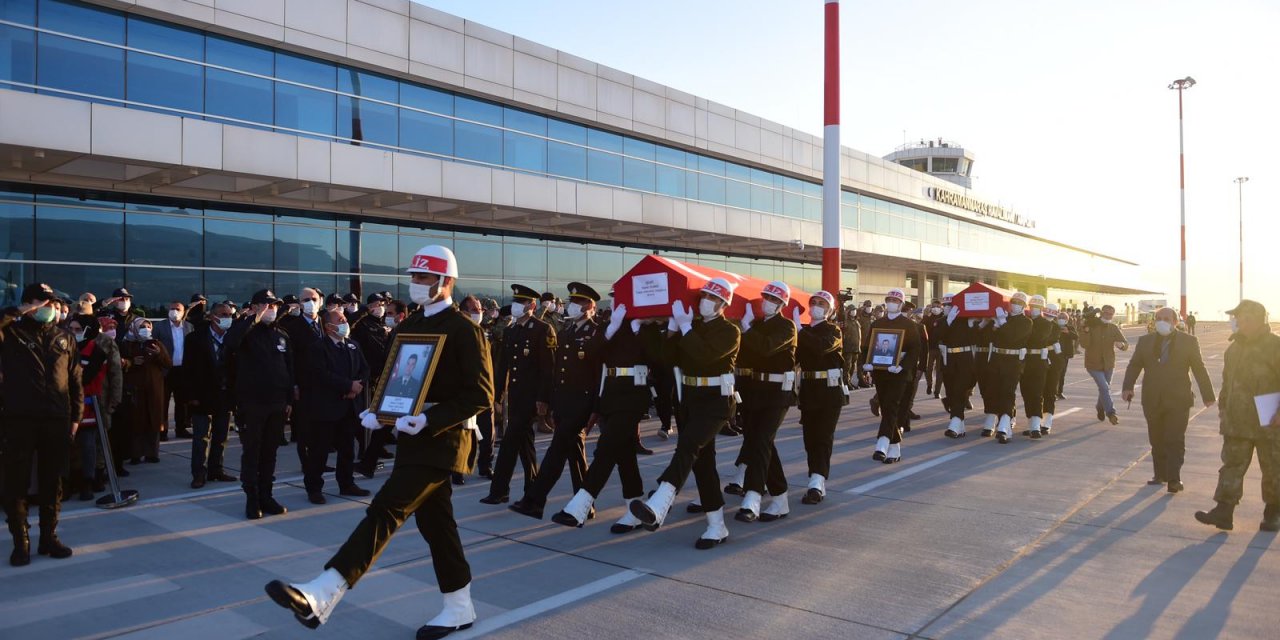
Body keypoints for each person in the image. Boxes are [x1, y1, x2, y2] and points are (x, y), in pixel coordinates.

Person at [265, 244, 492, 638]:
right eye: (414, 277)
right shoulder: (408, 327)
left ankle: (324, 591)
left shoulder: (465, 330)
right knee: (437, 527)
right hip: (410, 437)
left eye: (424, 277)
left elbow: (481, 395)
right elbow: (395, 377)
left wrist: (428, 418)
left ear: (446, 281)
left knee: (386, 508)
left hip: (445, 439)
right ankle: (459, 605)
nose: (416, 284)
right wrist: (380, 411)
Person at [630, 278, 741, 549]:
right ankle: (717, 526)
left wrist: (686, 326)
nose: (705, 301)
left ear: (723, 303)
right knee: (703, 464)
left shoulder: (729, 331)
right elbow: (665, 358)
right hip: (690, 401)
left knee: (688, 446)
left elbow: (704, 356)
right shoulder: (689, 327)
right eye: (703, 295)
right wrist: (651, 329)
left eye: (711, 297)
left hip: (717, 402)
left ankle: (659, 504)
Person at [551, 299, 665, 529]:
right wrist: (611, 329)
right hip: (610, 394)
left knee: (605, 448)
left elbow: (658, 359)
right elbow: (590, 353)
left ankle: (579, 506)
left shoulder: (647, 327)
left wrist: (637, 330)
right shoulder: (609, 325)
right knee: (624, 455)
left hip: (633, 395)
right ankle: (635, 509)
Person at [2, 283, 82, 565]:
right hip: (20, 419)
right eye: (41, 302)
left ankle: (49, 537)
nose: (48, 308)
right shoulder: (11, 333)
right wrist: (18, 312)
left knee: (53, 481)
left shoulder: (63, 337)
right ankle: (20, 542)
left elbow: (74, 380)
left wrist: (75, 417)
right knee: (16, 481)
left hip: (56, 418)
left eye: (51, 303)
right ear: (27, 304)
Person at [509, 283, 604, 519]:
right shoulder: (566, 332)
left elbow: (598, 375)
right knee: (574, 452)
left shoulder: (596, 333)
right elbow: (557, 371)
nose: (573, 305)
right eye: (572, 301)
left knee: (556, 451)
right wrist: (550, 401)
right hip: (564, 402)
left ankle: (535, 499)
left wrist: (596, 408)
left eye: (579, 302)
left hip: (582, 403)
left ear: (590, 306)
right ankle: (585, 504)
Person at [1194, 300, 1279, 531]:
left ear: (1255, 319)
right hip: (1237, 420)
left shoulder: (1275, 346)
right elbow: (1227, 381)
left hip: (1269, 419)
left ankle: (1273, 513)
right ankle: (1224, 512)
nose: (1237, 321)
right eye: (1237, 318)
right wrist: (1223, 408)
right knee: (1231, 465)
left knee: (1273, 467)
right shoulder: (1234, 348)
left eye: (1241, 317)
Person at [1120, 307, 1214, 494]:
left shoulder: (1189, 341)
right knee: (1156, 438)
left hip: (1179, 399)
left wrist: (1208, 395)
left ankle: (1174, 479)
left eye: (1166, 318)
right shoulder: (1145, 341)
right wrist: (1127, 387)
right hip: (1152, 398)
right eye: (1158, 318)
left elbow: (1199, 368)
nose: (1162, 321)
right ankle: (1159, 474)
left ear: (1176, 321)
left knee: (1174, 439)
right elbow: (1135, 364)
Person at [482, 284, 556, 505]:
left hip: (532, 398)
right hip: (515, 397)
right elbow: (503, 365)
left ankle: (499, 490)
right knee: (526, 444)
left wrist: (544, 400)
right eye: (515, 301)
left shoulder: (543, 329)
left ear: (532, 305)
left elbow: (548, 369)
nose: (515, 306)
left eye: (521, 302)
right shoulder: (511, 330)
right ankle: (532, 490)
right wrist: (496, 395)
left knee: (509, 444)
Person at [225, 289, 295, 520]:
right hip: (252, 403)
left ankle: (267, 495)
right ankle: (252, 499)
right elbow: (231, 342)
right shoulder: (246, 332)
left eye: (274, 305)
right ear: (255, 307)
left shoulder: (280, 335)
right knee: (252, 452)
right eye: (267, 305)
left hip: (277, 403)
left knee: (270, 452)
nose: (271, 309)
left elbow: (288, 368)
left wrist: (288, 400)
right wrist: (252, 319)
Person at [731, 281, 797, 523]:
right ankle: (780, 498)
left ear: (781, 304)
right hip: (754, 391)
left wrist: (748, 329)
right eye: (765, 297)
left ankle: (753, 497)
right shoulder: (754, 325)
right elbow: (744, 357)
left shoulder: (787, 326)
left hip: (777, 393)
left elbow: (767, 348)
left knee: (761, 440)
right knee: (760, 442)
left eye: (773, 299)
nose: (767, 302)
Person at [302, 309, 371, 503]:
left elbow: (365, 369)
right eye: (340, 319)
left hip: (349, 407)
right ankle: (314, 488)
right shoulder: (318, 347)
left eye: (344, 319)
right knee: (319, 451)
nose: (344, 322)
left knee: (347, 449)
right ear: (328, 326)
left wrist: (357, 386)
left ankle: (346, 483)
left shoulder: (352, 345)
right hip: (326, 408)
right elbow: (321, 374)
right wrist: (347, 385)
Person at [796, 291, 845, 504]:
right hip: (808, 389)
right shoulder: (802, 331)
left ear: (830, 310)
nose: (816, 306)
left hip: (829, 389)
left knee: (823, 437)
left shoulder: (833, 330)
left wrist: (799, 331)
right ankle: (816, 478)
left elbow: (821, 347)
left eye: (822, 303)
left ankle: (816, 481)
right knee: (810, 438)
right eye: (813, 302)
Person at [861, 288, 919, 463]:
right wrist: (867, 363)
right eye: (889, 299)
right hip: (880, 372)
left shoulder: (909, 324)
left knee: (892, 405)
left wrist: (903, 366)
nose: (891, 303)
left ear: (901, 304)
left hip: (898, 373)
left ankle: (882, 443)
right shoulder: (877, 323)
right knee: (886, 407)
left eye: (895, 300)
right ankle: (895, 449)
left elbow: (916, 349)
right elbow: (867, 346)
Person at [184, 302, 239, 489]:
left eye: (230, 314)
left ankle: (217, 469)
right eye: (223, 314)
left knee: (221, 435)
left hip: (225, 395)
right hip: (202, 395)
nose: (227, 317)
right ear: (213, 316)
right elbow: (188, 369)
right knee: (201, 437)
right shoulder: (195, 338)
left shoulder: (233, 338)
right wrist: (191, 395)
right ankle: (199, 473)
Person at [121, 318, 172, 465]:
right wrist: (131, 362)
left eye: (148, 326)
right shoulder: (128, 344)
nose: (146, 329)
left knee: (154, 421)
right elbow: (122, 364)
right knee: (137, 421)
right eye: (142, 326)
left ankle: (152, 453)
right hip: (136, 388)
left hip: (154, 389)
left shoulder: (156, 343)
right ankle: (135, 453)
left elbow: (168, 363)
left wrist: (158, 354)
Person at [1079, 304, 1128, 424]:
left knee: (1104, 389)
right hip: (1093, 364)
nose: (1108, 316)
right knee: (1105, 387)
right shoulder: (1091, 325)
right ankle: (1111, 413)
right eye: (1106, 313)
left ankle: (1100, 407)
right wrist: (1085, 331)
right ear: (1101, 312)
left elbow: (1125, 344)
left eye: (1111, 314)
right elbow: (1084, 345)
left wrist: (1122, 345)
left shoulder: (1113, 327)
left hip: (1109, 364)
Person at [937, 295, 977, 438]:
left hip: (964, 359)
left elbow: (975, 339)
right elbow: (937, 336)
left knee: (960, 390)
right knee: (951, 391)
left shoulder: (965, 321)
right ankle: (959, 426)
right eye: (944, 305)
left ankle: (954, 423)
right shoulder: (942, 321)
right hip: (948, 359)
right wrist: (948, 320)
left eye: (950, 305)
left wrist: (972, 325)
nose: (946, 307)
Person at [155, 300, 195, 440]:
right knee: (163, 402)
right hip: (165, 370)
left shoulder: (189, 327)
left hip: (182, 370)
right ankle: (162, 431)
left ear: (183, 312)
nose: (174, 311)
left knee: (182, 402)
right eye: (172, 308)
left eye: (178, 309)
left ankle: (181, 428)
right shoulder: (160, 327)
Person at [1019, 295, 1055, 440]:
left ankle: (1035, 425)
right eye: (1032, 306)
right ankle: (1031, 423)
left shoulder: (1046, 324)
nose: (1034, 309)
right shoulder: (1025, 321)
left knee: (1036, 392)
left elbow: (1037, 338)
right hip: (1025, 360)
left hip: (1038, 362)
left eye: (1038, 307)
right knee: (1026, 392)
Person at [1053, 310, 1079, 400]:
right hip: (1054, 354)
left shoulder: (1070, 327)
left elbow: (1076, 336)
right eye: (1060, 317)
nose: (1061, 319)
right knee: (1054, 373)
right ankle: (1053, 392)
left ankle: (1059, 392)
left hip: (1064, 355)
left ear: (1067, 320)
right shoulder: (1054, 326)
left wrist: (1068, 332)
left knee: (1062, 374)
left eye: (1064, 318)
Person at [924, 299, 946, 397]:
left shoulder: (944, 318)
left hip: (941, 348)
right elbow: (922, 328)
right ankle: (929, 384)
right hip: (930, 347)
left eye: (937, 306)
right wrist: (925, 315)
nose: (935, 308)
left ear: (941, 307)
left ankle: (937, 391)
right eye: (934, 306)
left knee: (939, 371)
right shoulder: (928, 318)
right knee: (928, 369)